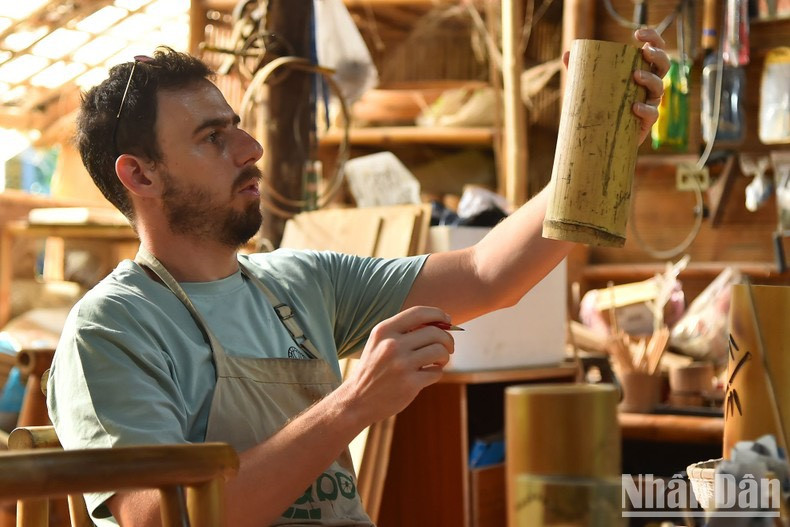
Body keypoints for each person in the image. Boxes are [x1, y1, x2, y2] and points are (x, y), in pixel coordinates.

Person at [48, 29, 669, 527]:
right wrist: (352, 405)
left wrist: (603, 148)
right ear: (141, 176)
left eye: (236, 125)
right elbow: (158, 521)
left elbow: (486, 276)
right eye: (214, 138)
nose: (250, 148)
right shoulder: (112, 327)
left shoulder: (299, 282)